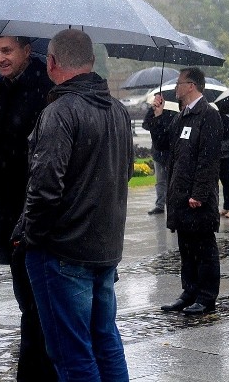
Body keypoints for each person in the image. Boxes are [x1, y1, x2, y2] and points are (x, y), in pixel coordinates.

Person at [23, 29, 134, 381]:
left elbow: (44, 188)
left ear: (52, 63)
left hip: (64, 251)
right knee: (105, 341)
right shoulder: (118, 109)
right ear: (90, 62)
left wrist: (33, 237)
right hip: (104, 247)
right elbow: (125, 172)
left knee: (73, 355)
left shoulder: (60, 112)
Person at [0, 35, 55, 379]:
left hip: (36, 209)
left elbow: (45, 156)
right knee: (26, 299)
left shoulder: (46, 90)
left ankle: (38, 370)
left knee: (39, 303)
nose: (0, 58)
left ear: (26, 51)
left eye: (7, 51)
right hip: (9, 209)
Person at [149, 67, 223, 315]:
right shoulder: (182, 116)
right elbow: (164, 145)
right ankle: (189, 292)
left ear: (191, 85)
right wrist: (158, 115)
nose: (175, 88)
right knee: (187, 249)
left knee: (204, 249)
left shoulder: (208, 115)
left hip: (197, 198)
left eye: (179, 83)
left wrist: (199, 193)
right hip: (181, 195)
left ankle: (206, 297)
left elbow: (209, 159)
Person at [142, 101, 175, 215]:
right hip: (158, 151)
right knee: (160, 180)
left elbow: (169, 128)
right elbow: (146, 124)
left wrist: (160, 118)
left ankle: (172, 204)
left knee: (172, 181)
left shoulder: (173, 111)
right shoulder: (154, 110)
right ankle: (160, 204)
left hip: (171, 151)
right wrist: (154, 112)